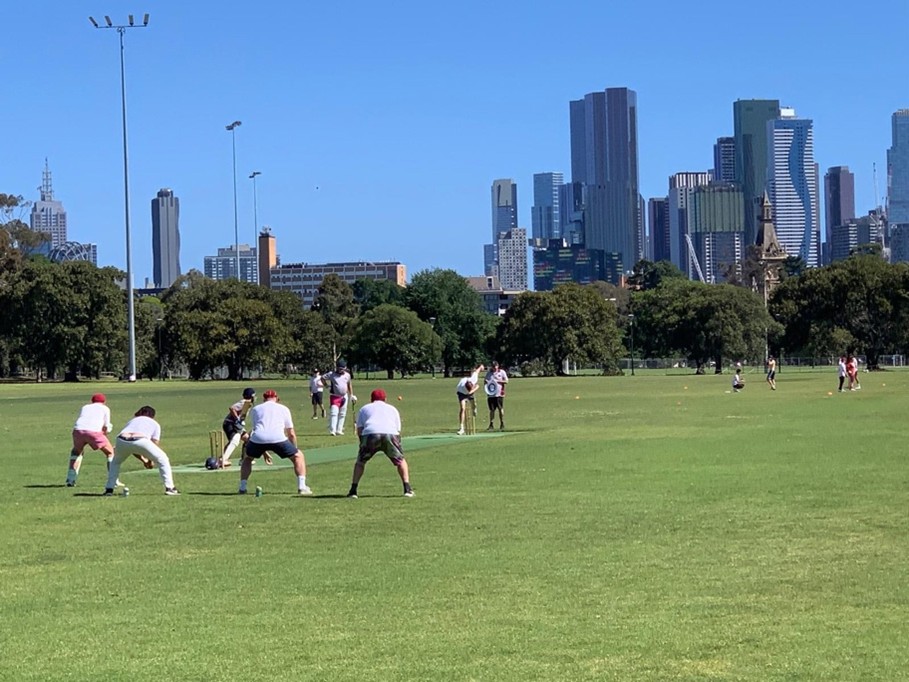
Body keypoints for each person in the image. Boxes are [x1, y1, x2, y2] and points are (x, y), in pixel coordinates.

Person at [66, 393, 151, 488]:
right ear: (104, 402)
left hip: (78, 431)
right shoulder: (105, 409)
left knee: (76, 452)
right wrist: (105, 433)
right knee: (110, 453)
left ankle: (71, 479)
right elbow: (107, 426)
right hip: (94, 432)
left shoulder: (85, 407)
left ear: (92, 401)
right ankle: (114, 480)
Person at [239, 389, 312, 495]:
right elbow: (291, 433)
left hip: (258, 438)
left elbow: (257, 430)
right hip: (278, 438)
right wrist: (294, 449)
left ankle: (242, 487)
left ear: (264, 399)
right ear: (277, 398)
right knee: (298, 456)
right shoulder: (284, 409)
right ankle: (302, 487)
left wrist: (263, 451)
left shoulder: (256, 409)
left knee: (248, 458)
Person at [347, 388, 413, 499]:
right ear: (385, 399)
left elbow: (360, 430)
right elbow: (398, 430)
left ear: (371, 399)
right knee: (400, 461)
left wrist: (362, 445)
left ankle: (353, 491)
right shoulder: (392, 409)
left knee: (360, 462)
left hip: (370, 434)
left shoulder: (365, 408)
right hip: (390, 434)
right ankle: (407, 489)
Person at [104, 406, 179, 496]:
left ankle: (109, 489)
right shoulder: (155, 424)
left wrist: (144, 460)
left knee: (115, 462)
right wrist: (150, 461)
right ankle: (170, 488)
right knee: (163, 459)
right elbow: (154, 444)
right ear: (152, 415)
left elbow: (132, 448)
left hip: (121, 439)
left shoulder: (132, 421)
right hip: (140, 440)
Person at [219, 387, 256, 469]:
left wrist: (239, 421)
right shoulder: (244, 402)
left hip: (236, 425)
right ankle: (223, 460)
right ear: (252, 396)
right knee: (235, 439)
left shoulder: (248, 403)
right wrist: (237, 419)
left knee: (247, 439)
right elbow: (232, 408)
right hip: (230, 423)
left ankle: (243, 459)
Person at [322, 360, 356, 436]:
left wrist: (351, 395)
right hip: (335, 396)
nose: (341, 370)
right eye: (339, 369)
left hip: (344, 397)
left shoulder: (347, 375)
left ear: (345, 368)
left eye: (342, 369)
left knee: (342, 414)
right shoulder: (332, 374)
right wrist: (326, 386)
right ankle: (332, 430)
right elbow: (322, 378)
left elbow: (349, 385)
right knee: (334, 413)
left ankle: (339, 430)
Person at [455, 363, 484, 435]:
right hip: (462, 394)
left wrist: (481, 367)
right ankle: (462, 428)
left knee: (473, 404)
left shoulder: (473, 379)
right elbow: (459, 392)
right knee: (463, 408)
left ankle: (474, 408)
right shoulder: (460, 387)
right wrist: (468, 392)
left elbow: (477, 385)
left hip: (470, 392)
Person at [484, 361, 509, 431]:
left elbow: (506, 381)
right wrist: (486, 382)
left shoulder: (502, 372)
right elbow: (485, 381)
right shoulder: (489, 373)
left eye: (495, 366)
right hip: (491, 394)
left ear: (498, 366)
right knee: (492, 410)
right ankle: (491, 424)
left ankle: (502, 423)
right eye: (493, 366)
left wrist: (498, 381)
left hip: (499, 394)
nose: (494, 368)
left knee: (500, 409)